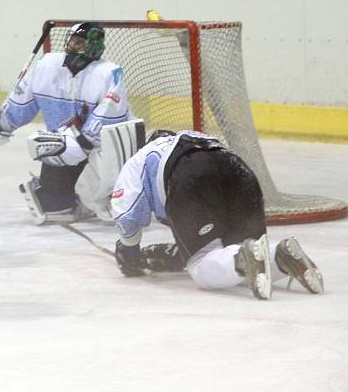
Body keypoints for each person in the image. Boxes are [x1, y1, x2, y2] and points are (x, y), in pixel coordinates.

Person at [108, 129, 324, 300]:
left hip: (192, 174)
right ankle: (280, 254)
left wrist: (129, 250)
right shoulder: (195, 137)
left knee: (202, 266)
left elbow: (126, 212)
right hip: (238, 170)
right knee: (242, 265)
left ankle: (244, 257)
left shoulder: (142, 156)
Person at [0, 22, 131, 224]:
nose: (72, 46)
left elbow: (105, 123)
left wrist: (75, 144)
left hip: (101, 150)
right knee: (54, 202)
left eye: (79, 43)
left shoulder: (108, 73)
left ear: (94, 45)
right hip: (69, 146)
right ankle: (64, 196)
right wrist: (0, 123)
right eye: (72, 41)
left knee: (63, 152)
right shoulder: (46, 66)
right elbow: (21, 105)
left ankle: (95, 198)